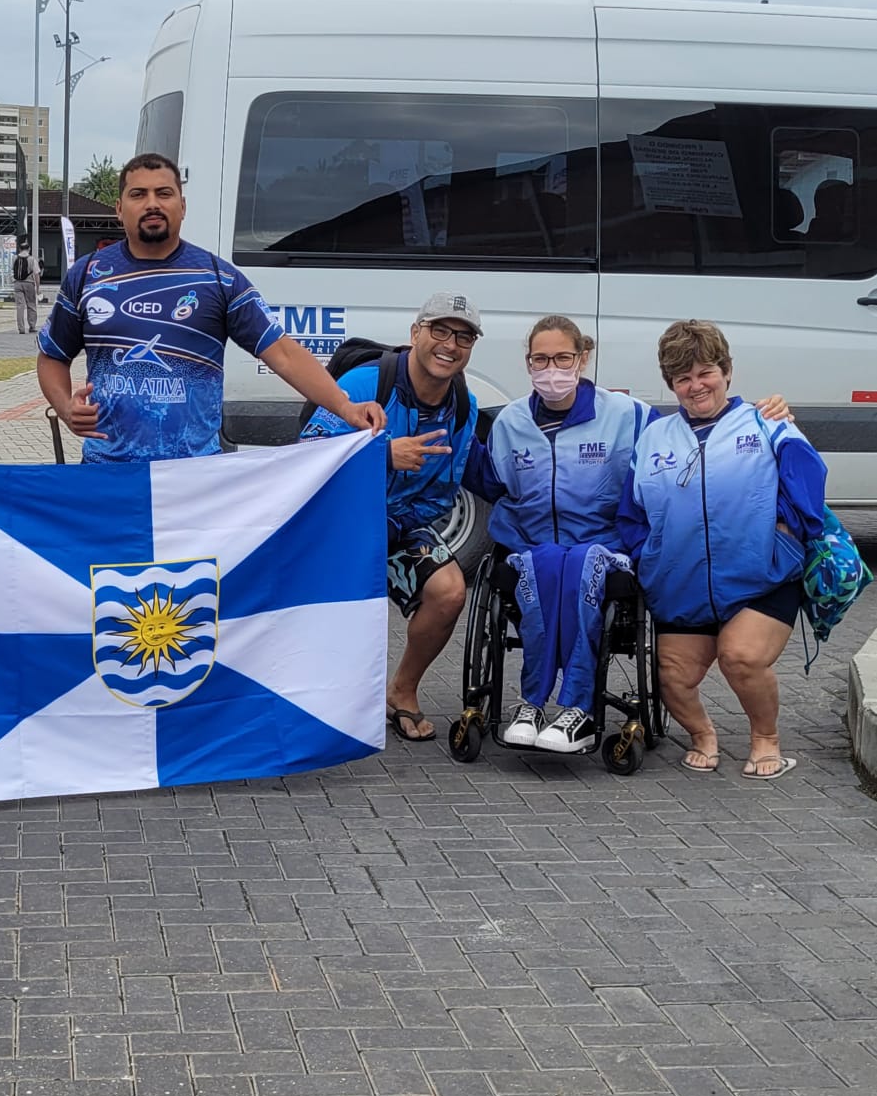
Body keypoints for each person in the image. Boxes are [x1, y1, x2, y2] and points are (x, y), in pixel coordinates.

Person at [471, 315, 795, 754]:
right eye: (540, 359)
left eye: (563, 357)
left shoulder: (629, 416)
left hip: (601, 551)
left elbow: (683, 444)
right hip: (533, 548)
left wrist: (649, 553)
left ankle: (577, 708)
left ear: (583, 357)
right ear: (527, 363)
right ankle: (531, 703)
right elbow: (491, 483)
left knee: (581, 564)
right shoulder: (509, 423)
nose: (552, 369)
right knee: (544, 563)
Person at [38, 151, 385, 462]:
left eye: (164, 193)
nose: (152, 204)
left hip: (196, 479)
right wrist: (65, 407)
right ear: (119, 208)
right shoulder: (87, 275)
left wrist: (344, 406)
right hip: (105, 473)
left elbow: (282, 352)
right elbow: (52, 356)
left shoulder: (219, 278)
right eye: (138, 194)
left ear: (183, 206)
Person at [619, 320, 826, 779]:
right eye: (682, 378)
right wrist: (648, 556)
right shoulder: (653, 437)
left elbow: (808, 483)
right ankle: (702, 735)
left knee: (741, 657)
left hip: (760, 577)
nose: (696, 386)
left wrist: (785, 536)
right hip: (681, 584)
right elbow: (631, 514)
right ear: (671, 384)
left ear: (727, 370)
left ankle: (765, 739)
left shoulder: (766, 422)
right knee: (672, 677)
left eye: (705, 372)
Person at [302, 293, 482, 742]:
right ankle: (315, 700)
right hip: (335, 520)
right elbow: (305, 454)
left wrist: (393, 527)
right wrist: (382, 454)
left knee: (449, 591)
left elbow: (442, 492)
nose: (450, 344)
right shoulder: (365, 384)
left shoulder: (464, 405)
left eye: (463, 336)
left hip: (396, 521)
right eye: (439, 330)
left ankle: (402, 691)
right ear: (415, 334)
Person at [13, 242, 39, 336]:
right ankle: (32, 326)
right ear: (29, 249)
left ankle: (21, 328)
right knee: (31, 305)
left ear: (19, 249)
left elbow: (12, 271)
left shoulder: (15, 258)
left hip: (17, 284)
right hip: (29, 284)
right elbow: (36, 274)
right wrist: (37, 287)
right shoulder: (32, 259)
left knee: (20, 306)